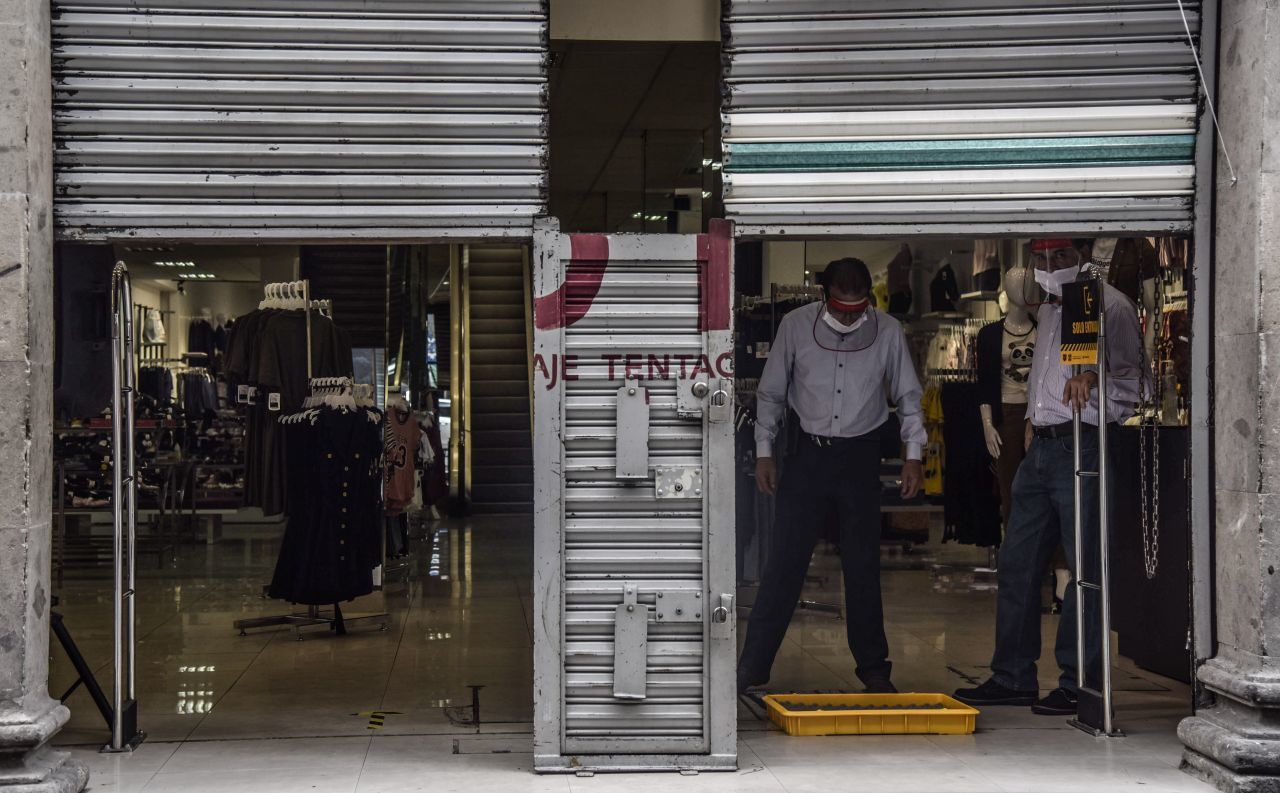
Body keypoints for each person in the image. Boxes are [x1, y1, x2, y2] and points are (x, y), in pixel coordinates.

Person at [954, 239, 1143, 716]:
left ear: (1082, 256)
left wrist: (1093, 380)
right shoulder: (1055, 309)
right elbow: (1044, 377)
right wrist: (1035, 423)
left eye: (1060, 257)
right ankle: (1012, 675)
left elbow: (1134, 384)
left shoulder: (1109, 305)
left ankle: (1078, 681)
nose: (1049, 266)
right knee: (1017, 563)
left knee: (1084, 570)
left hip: (1085, 440)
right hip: (1041, 447)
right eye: (1042, 258)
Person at [739, 257, 926, 695]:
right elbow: (770, 394)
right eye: (841, 309)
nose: (849, 318)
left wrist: (913, 454)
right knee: (784, 562)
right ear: (825, 298)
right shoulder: (795, 326)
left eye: (858, 310)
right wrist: (764, 453)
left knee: (862, 565)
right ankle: (753, 665)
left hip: (860, 458)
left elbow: (909, 396)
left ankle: (874, 669)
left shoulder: (888, 331)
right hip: (807, 457)